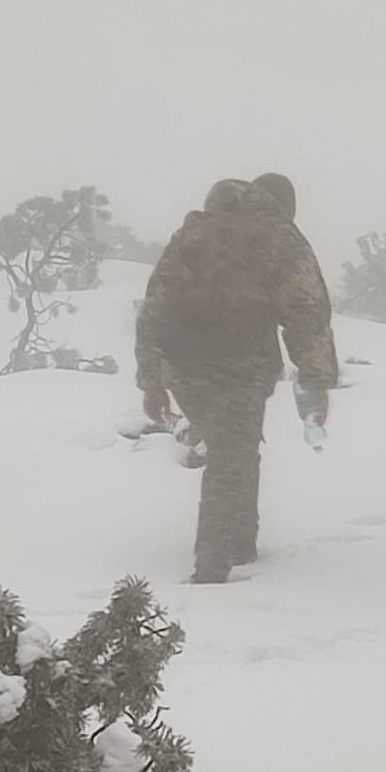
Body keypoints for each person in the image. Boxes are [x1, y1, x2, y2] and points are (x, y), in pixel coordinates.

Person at [135, 176, 338, 583]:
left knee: (237, 447)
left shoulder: (193, 232)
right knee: (232, 457)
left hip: (181, 363)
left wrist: (152, 380)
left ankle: (242, 544)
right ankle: (213, 568)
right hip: (239, 364)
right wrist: (316, 380)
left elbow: (154, 304)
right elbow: (307, 311)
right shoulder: (278, 237)